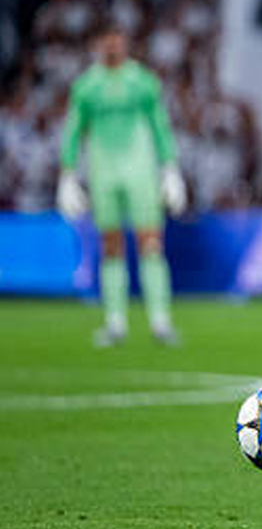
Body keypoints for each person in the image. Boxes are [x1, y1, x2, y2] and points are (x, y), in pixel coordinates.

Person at [57, 27, 186, 347]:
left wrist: (170, 167)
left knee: (151, 243)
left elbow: (160, 125)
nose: (112, 45)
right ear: (97, 43)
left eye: (117, 39)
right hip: (103, 173)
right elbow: (73, 129)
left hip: (140, 171)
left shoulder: (143, 81)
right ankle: (115, 322)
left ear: (125, 43)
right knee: (111, 245)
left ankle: (160, 320)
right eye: (106, 40)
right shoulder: (86, 87)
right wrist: (67, 173)